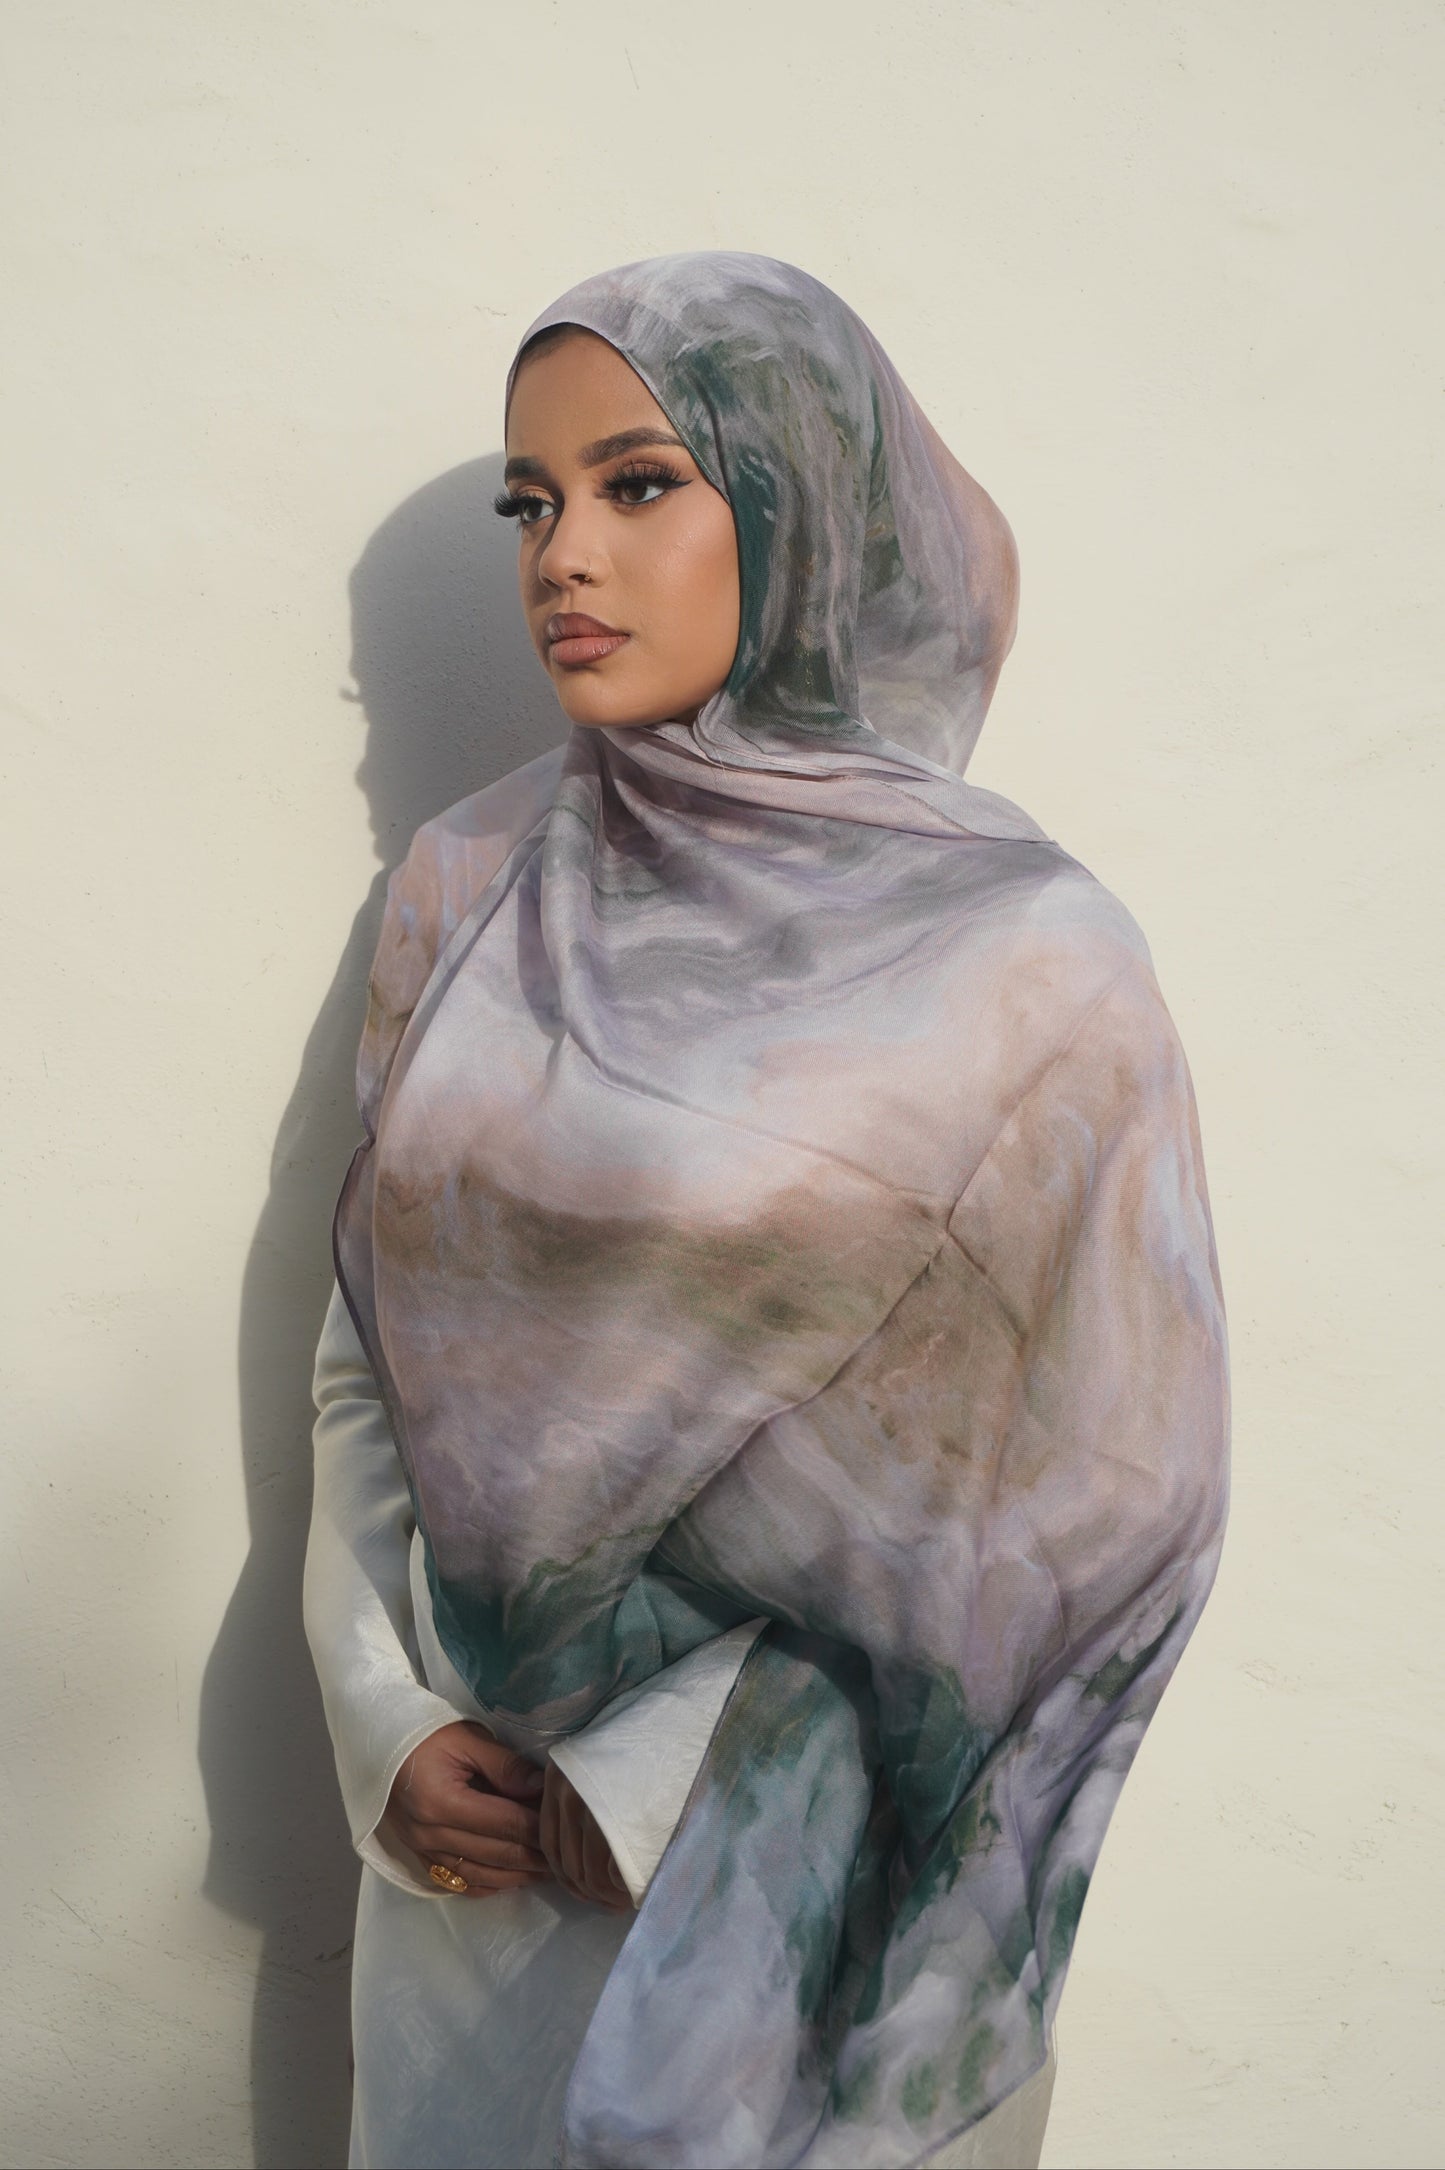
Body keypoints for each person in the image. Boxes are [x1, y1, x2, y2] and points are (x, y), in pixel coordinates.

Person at [303, 251, 1230, 2170]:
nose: (564, 555)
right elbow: (372, 1363)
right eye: (530, 502)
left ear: (803, 506)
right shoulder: (465, 886)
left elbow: (1089, 1509)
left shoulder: (1020, 960)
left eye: (641, 483)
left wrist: (661, 1780)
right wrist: (380, 1719)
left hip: (800, 1908)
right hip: (470, 1882)